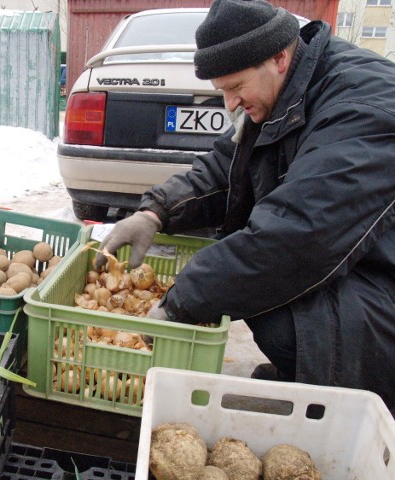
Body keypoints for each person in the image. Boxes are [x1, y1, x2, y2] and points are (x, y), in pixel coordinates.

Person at [95, 0, 395, 410]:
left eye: (235, 88)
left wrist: (179, 301)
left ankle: (355, 403)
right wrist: (156, 211)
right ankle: (305, 376)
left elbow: (296, 238)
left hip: (382, 280)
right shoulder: (286, 89)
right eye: (223, 91)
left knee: (276, 309)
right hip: (359, 262)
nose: (230, 105)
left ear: (279, 57)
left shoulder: (361, 109)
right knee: (247, 289)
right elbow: (226, 168)